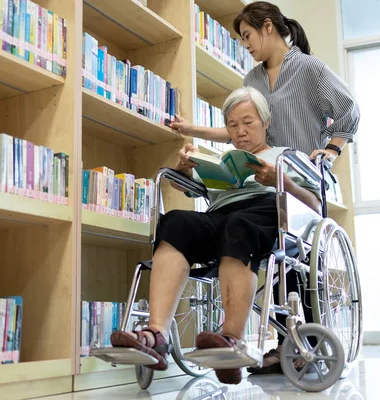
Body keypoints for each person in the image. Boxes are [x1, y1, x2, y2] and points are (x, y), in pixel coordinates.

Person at [170, 1, 360, 374]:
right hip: (263, 180)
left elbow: (349, 110)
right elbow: (243, 126)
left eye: (247, 36)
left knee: (292, 252)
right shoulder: (252, 80)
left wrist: (331, 150)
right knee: (260, 237)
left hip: (301, 177)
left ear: (269, 27)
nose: (246, 46)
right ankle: (278, 343)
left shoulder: (308, 68)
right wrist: (195, 131)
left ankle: (302, 340)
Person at [110, 87, 322, 385]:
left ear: (266, 122)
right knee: (175, 222)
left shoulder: (286, 157)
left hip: (266, 215)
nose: (240, 131)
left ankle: (230, 340)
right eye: (233, 125)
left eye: (248, 122)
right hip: (218, 217)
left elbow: (315, 206)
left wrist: (280, 179)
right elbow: (186, 185)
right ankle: (157, 335)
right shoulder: (224, 159)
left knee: (239, 224)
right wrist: (183, 169)